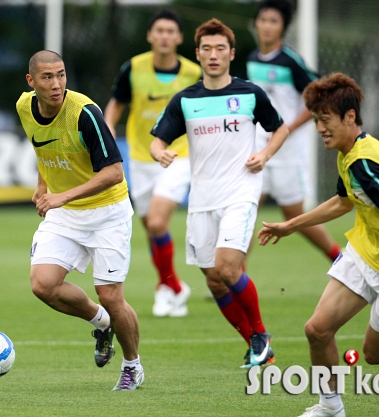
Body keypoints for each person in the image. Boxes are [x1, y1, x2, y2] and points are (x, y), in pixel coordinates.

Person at [257, 72, 379, 416]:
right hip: (365, 252)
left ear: (350, 117)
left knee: (377, 354)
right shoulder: (348, 152)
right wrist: (291, 225)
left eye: (325, 119)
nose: (319, 128)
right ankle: (330, 407)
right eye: (316, 120)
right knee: (317, 330)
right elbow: (343, 201)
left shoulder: (364, 160)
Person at [150, 18, 289, 368]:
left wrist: (265, 154)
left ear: (231, 54)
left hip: (240, 193)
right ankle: (258, 348)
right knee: (213, 280)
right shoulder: (186, 100)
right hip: (201, 200)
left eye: (220, 49)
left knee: (229, 268)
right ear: (197, 54)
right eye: (207, 49)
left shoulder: (250, 93)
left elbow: (280, 128)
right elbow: (157, 141)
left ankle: (260, 333)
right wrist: (160, 153)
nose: (213, 55)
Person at [16, 50, 144, 391]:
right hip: (66, 214)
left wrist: (60, 196)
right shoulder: (23, 107)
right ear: (31, 82)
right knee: (43, 284)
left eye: (61, 75)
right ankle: (102, 325)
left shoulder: (85, 113)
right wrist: (43, 184)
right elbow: (42, 147)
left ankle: (133, 366)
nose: (56, 84)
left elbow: (115, 173)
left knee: (111, 296)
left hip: (108, 213)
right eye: (47, 77)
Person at [104, 9, 201, 318]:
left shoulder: (193, 74)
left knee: (158, 222)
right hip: (139, 158)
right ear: (150, 35)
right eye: (159, 30)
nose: (164, 36)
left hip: (178, 156)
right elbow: (116, 104)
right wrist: (106, 133)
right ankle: (171, 286)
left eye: (171, 31)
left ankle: (166, 287)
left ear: (180, 38)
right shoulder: (133, 68)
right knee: (151, 228)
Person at [247, 0, 341, 263]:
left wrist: (286, 128)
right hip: (259, 148)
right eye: (263, 19)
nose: (266, 26)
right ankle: (234, 277)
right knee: (247, 209)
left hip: (289, 152)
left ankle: (340, 259)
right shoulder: (253, 59)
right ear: (256, 23)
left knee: (293, 215)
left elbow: (319, 97)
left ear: (283, 27)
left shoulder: (291, 62)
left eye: (273, 21)